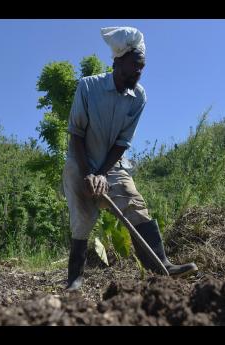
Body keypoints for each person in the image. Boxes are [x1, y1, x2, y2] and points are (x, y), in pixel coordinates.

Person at [63, 26, 198, 291]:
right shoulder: (88, 87)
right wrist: (89, 172)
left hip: (110, 166)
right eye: (134, 66)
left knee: (134, 203)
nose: (138, 72)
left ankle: (161, 265)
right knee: (82, 219)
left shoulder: (138, 97)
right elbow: (76, 135)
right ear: (117, 61)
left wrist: (102, 173)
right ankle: (74, 280)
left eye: (142, 67)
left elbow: (122, 143)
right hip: (80, 163)